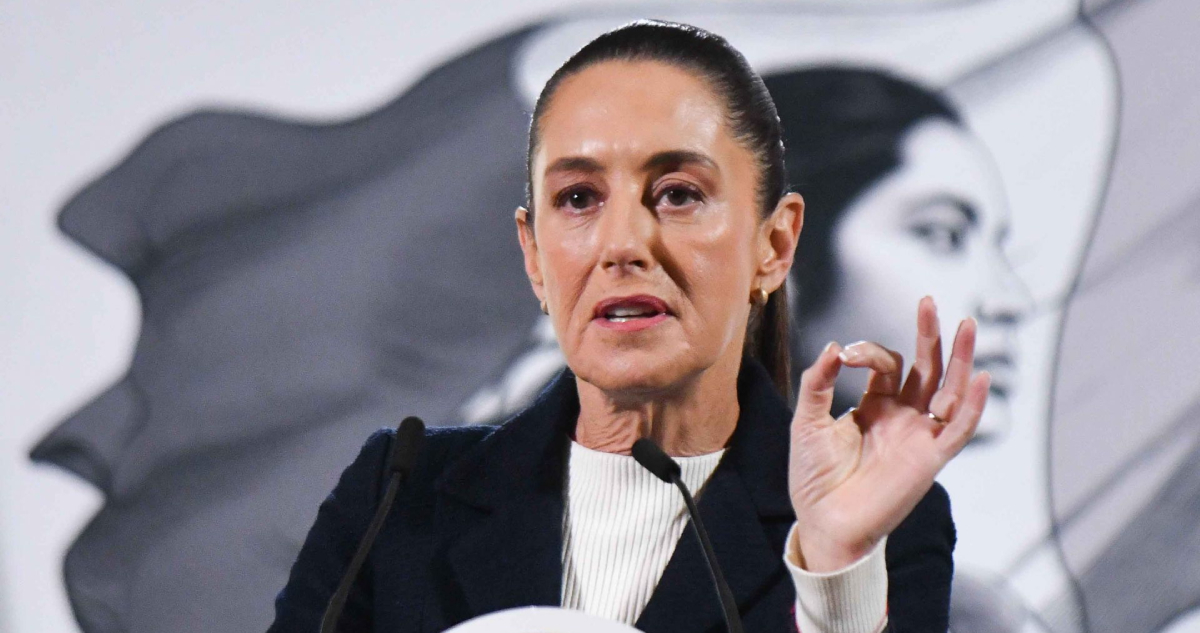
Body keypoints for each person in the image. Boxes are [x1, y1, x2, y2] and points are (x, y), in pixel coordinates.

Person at [267, 20, 991, 633]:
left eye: (678, 194)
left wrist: (835, 572)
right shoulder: (398, 495)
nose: (622, 244)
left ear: (773, 245)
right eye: (578, 198)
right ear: (535, 257)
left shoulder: (877, 520)